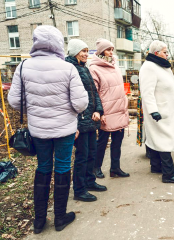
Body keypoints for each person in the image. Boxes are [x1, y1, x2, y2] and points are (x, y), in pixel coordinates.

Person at [8, 26, 88, 233]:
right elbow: (80, 104)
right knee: (62, 166)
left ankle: (39, 221)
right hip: (65, 130)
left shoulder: (24, 66)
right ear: (57, 43)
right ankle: (60, 218)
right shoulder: (67, 68)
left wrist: (36, 105)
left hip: (39, 130)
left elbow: (15, 101)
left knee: (43, 167)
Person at [139, 40, 174, 184]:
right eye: (165, 52)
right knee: (164, 139)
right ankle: (168, 174)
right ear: (156, 53)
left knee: (158, 138)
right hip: (159, 111)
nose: (167, 54)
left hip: (167, 109)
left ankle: (156, 166)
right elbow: (147, 92)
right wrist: (153, 111)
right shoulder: (149, 67)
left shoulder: (161, 66)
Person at [66, 39, 107, 202]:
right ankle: (79, 189)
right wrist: (76, 121)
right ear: (74, 52)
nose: (85, 54)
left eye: (86, 51)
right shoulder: (70, 69)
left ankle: (90, 182)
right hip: (80, 120)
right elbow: (70, 99)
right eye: (82, 51)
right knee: (82, 156)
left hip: (90, 118)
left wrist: (98, 110)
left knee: (92, 152)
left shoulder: (84, 68)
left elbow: (93, 92)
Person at [89, 39, 130, 179]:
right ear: (101, 51)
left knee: (118, 141)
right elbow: (94, 93)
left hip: (119, 110)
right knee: (102, 142)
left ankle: (115, 168)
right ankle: (96, 167)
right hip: (106, 112)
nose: (111, 52)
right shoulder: (94, 68)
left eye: (112, 49)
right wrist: (100, 112)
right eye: (108, 49)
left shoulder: (115, 66)